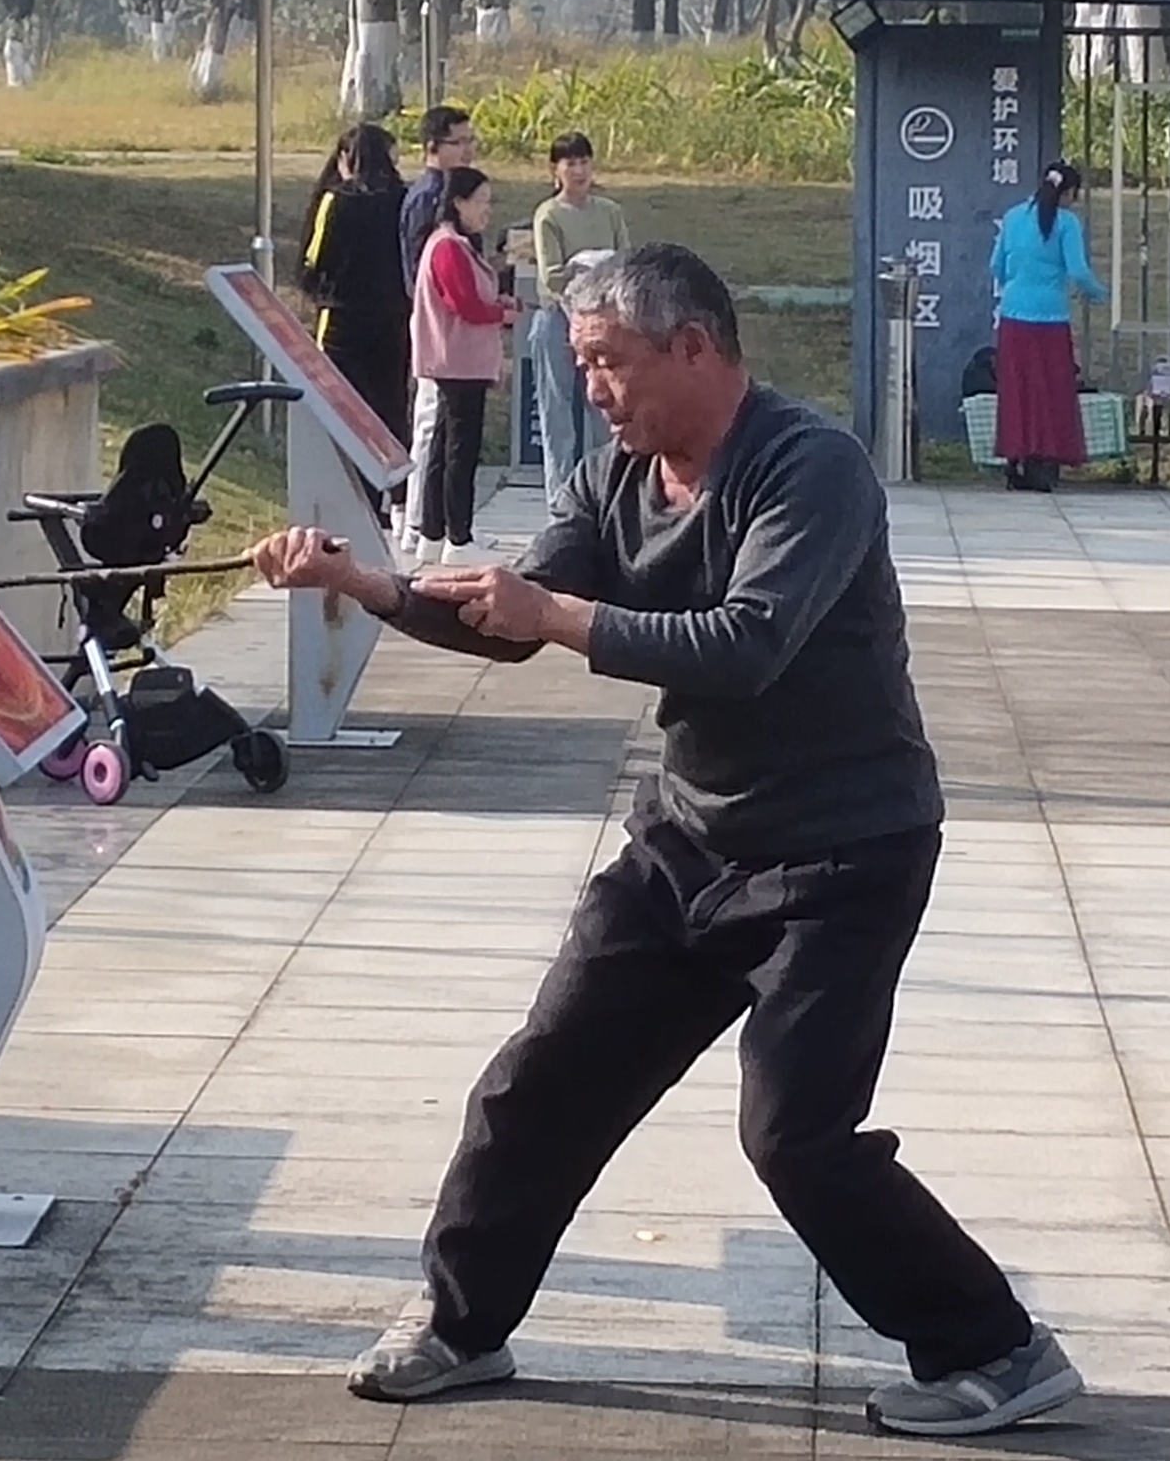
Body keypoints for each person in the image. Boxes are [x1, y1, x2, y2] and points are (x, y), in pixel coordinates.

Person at [248, 241, 1085, 1441]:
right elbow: (514, 619)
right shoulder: (613, 478)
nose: (592, 388)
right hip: (688, 842)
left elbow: (746, 646)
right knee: (541, 1083)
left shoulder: (812, 468)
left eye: (609, 362)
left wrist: (558, 613)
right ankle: (461, 1327)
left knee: (796, 1138)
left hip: (845, 852)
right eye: (582, 363)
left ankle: (997, 1350)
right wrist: (372, 586)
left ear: (694, 347)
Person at [297, 124, 412, 521]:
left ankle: (351, 493)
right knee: (390, 404)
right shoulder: (403, 198)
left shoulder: (337, 200)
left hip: (343, 318)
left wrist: (315, 286)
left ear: (347, 158)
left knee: (342, 405)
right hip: (393, 318)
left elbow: (316, 257)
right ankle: (393, 497)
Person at [410, 167, 513, 566]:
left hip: (454, 360)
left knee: (443, 446)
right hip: (459, 362)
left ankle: (432, 533)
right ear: (458, 202)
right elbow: (464, 305)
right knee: (460, 451)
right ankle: (458, 535)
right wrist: (503, 312)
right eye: (481, 201)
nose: (487, 210)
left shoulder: (454, 245)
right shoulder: (448, 246)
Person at [989, 160, 1107, 493]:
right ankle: (1043, 461)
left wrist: (1017, 284)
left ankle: (1015, 456)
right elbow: (1078, 271)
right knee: (1050, 391)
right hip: (1050, 320)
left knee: (1018, 390)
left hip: (1013, 317)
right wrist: (1100, 294)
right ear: (1068, 193)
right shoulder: (1066, 223)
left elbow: (996, 266)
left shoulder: (1013, 217)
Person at [529, 132, 630, 515]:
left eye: (584, 162)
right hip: (558, 318)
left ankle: (607, 492)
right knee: (557, 413)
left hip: (602, 321)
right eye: (570, 163)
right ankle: (560, 501)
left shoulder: (610, 211)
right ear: (555, 170)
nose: (579, 171)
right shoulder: (549, 214)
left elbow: (626, 262)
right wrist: (582, 267)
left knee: (605, 407)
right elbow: (552, 276)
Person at [399, 105, 479, 554]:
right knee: (433, 427)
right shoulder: (429, 197)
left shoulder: (447, 192)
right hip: (437, 327)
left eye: (471, 141)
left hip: (445, 329)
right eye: (458, 142)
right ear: (432, 147)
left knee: (440, 427)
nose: (467, 149)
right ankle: (421, 523)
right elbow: (421, 269)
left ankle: (431, 524)